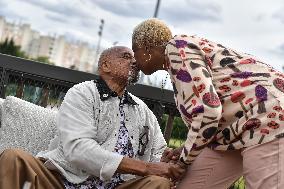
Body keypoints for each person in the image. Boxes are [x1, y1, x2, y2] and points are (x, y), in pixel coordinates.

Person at [0, 46, 186, 189]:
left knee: (159, 184)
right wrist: (147, 168)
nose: (135, 62)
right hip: (65, 181)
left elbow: (157, 153)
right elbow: (78, 149)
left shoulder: (142, 110)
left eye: (134, 57)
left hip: (118, 186)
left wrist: (165, 161)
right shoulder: (82, 93)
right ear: (105, 65)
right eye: (126, 57)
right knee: (13, 157)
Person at [132, 18, 284, 189]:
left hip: (268, 117)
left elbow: (208, 112)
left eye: (134, 51)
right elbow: (212, 114)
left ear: (146, 49)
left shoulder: (177, 48)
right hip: (234, 132)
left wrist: (182, 162)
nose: (134, 61)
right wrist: (185, 149)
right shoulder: (181, 55)